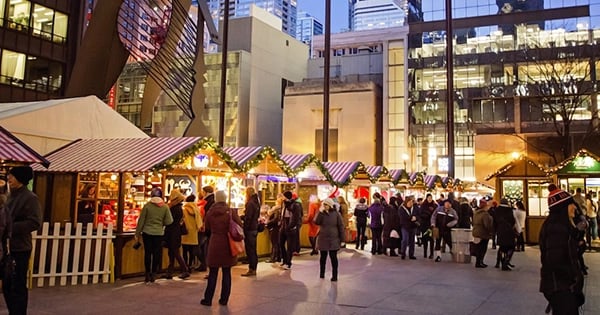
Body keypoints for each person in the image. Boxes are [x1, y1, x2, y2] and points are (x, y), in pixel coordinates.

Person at [2, 166, 42, 315]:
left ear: (21, 179)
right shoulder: (9, 195)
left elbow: (34, 222)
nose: (9, 179)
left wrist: (9, 227)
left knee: (16, 285)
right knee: (7, 285)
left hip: (19, 248)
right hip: (6, 247)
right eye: (9, 176)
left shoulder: (30, 198)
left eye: (12, 176)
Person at [539, 188, 585, 314]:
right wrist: (573, 282)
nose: (574, 208)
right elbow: (556, 259)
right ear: (563, 207)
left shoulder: (561, 225)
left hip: (561, 286)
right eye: (571, 204)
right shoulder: (556, 228)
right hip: (561, 287)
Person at [201, 190, 243, 306]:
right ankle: (224, 299)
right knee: (226, 272)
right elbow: (239, 225)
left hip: (214, 243)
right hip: (228, 244)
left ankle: (208, 299)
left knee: (213, 272)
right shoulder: (230, 212)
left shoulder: (210, 212)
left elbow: (207, 228)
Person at [135, 187, 173, 283]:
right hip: (159, 233)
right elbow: (169, 221)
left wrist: (137, 233)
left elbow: (141, 221)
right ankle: (154, 273)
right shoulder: (165, 207)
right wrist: (161, 223)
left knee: (148, 253)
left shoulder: (147, 206)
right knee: (156, 253)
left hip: (147, 232)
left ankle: (147, 273)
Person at [314, 198, 345, 281]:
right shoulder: (321, 214)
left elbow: (341, 226)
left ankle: (334, 276)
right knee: (323, 257)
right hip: (323, 238)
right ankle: (322, 273)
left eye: (326, 204)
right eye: (324, 204)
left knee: (333, 257)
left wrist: (342, 240)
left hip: (333, 238)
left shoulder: (336, 214)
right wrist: (320, 212)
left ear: (330, 205)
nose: (325, 206)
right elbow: (316, 222)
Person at [164, 189, 190, 279]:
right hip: (175, 232)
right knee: (172, 252)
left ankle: (184, 270)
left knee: (175, 252)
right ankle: (170, 271)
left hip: (172, 233)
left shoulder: (175, 208)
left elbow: (169, 220)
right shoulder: (179, 208)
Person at [280, 191, 301, 270]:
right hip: (283, 225)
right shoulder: (283, 203)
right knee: (281, 243)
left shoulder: (295, 205)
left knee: (290, 246)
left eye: (283, 196)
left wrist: (291, 226)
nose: (282, 198)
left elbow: (296, 217)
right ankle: (285, 260)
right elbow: (282, 214)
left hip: (290, 227)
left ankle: (288, 262)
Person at [241, 187, 260, 277]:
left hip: (250, 229)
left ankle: (251, 269)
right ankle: (254, 268)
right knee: (253, 249)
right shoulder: (256, 203)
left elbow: (248, 217)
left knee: (250, 250)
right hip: (254, 228)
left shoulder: (250, 203)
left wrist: (245, 227)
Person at [182, 194, 202, 272]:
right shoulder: (196, 209)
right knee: (191, 250)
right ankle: (191, 265)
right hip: (194, 231)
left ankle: (185, 266)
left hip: (186, 231)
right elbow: (199, 220)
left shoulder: (184, 209)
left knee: (185, 250)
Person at [494, 198, 517, 271]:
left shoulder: (497, 210)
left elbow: (494, 221)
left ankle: (498, 262)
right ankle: (506, 262)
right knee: (511, 247)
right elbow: (513, 221)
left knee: (501, 247)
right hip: (509, 230)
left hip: (500, 230)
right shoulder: (510, 210)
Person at [472, 199, 494, 268]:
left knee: (478, 247)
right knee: (483, 248)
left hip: (476, 232)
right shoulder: (485, 214)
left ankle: (478, 261)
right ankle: (480, 262)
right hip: (483, 233)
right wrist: (491, 231)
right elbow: (487, 225)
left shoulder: (476, 213)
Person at [419, 193, 437, 259]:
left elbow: (436, 214)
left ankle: (431, 253)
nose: (429, 199)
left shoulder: (435, 205)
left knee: (432, 239)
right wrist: (426, 215)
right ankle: (425, 253)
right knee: (425, 239)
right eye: (428, 198)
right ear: (426, 198)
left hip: (432, 225)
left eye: (431, 198)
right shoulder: (423, 206)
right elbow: (420, 214)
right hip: (424, 224)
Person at [266, 195, 282, 263]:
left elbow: (275, 219)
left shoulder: (276, 209)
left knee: (274, 243)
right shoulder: (282, 208)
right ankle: (278, 257)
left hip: (274, 228)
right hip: (279, 228)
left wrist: (268, 223)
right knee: (277, 243)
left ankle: (273, 257)